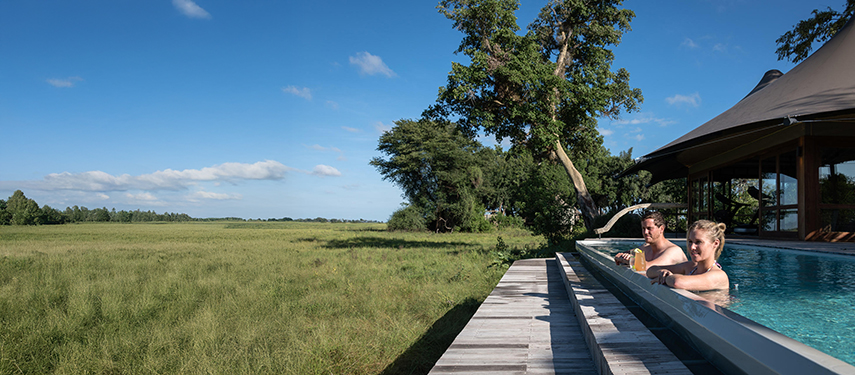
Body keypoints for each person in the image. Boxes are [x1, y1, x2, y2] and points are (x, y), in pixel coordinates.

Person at [647, 220, 729, 291]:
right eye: (690, 241)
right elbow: (650, 270)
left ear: (715, 243)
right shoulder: (690, 267)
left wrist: (665, 278)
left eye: (698, 242)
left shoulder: (719, 276)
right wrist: (662, 272)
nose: (692, 247)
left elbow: (677, 282)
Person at [614, 211, 687, 268]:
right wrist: (621, 256)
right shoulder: (645, 248)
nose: (645, 232)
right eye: (643, 228)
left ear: (661, 229)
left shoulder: (674, 251)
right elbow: (623, 254)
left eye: (649, 228)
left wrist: (631, 260)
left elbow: (647, 267)